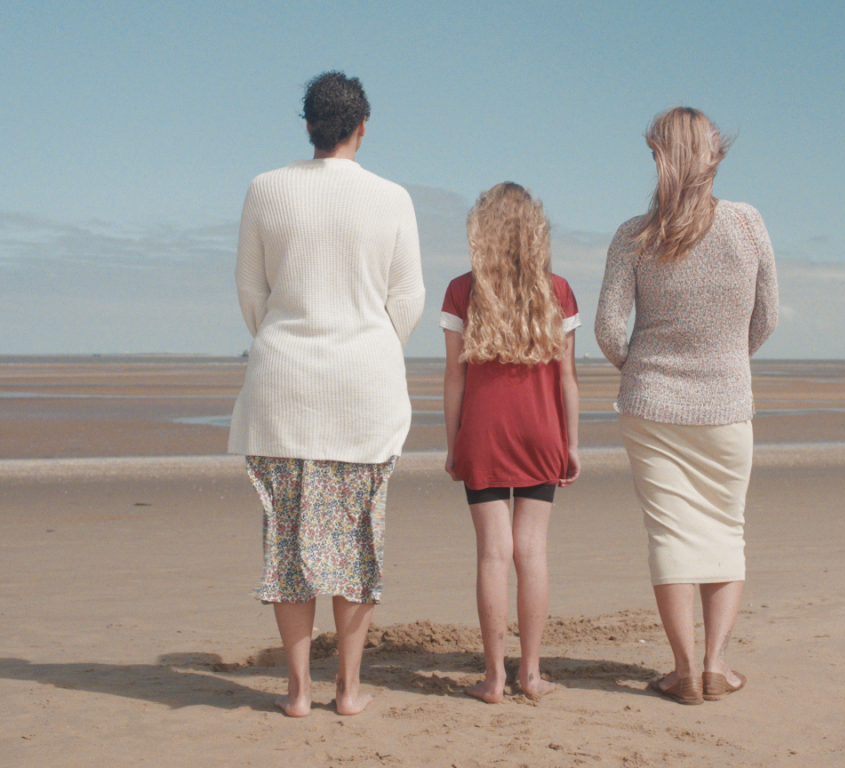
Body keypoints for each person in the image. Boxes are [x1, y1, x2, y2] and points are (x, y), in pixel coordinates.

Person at [228, 71, 424, 717]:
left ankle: (297, 689)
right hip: (363, 393)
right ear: (362, 128)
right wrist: (367, 346)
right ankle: (347, 687)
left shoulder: (265, 189)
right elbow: (408, 300)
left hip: (283, 389)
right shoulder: (393, 198)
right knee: (356, 542)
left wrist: (289, 342)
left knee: (288, 543)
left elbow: (252, 296)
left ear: (307, 125)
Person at [595, 107, 778, 705]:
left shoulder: (633, 233)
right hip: (727, 401)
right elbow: (766, 318)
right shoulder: (748, 224)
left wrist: (642, 369)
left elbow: (606, 328)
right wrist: (728, 359)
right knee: (727, 530)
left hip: (652, 404)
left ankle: (681, 669)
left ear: (657, 156)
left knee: (670, 535)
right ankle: (716, 665)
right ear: (714, 156)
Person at [440, 182, 581, 703]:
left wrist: (452, 442)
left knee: (492, 555)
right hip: (542, 429)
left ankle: (495, 678)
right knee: (533, 552)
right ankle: (532, 674)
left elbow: (454, 377)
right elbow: (567, 377)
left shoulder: (462, 289)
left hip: (484, 430)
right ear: (535, 232)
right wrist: (571, 443)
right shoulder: (558, 290)